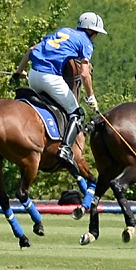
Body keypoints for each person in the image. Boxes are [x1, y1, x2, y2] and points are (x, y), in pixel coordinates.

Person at [24, 14, 103, 171]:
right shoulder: (86, 42)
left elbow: (31, 50)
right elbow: (85, 74)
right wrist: (91, 96)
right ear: (92, 31)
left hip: (33, 75)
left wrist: (19, 72)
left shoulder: (63, 31)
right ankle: (66, 150)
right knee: (77, 113)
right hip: (50, 78)